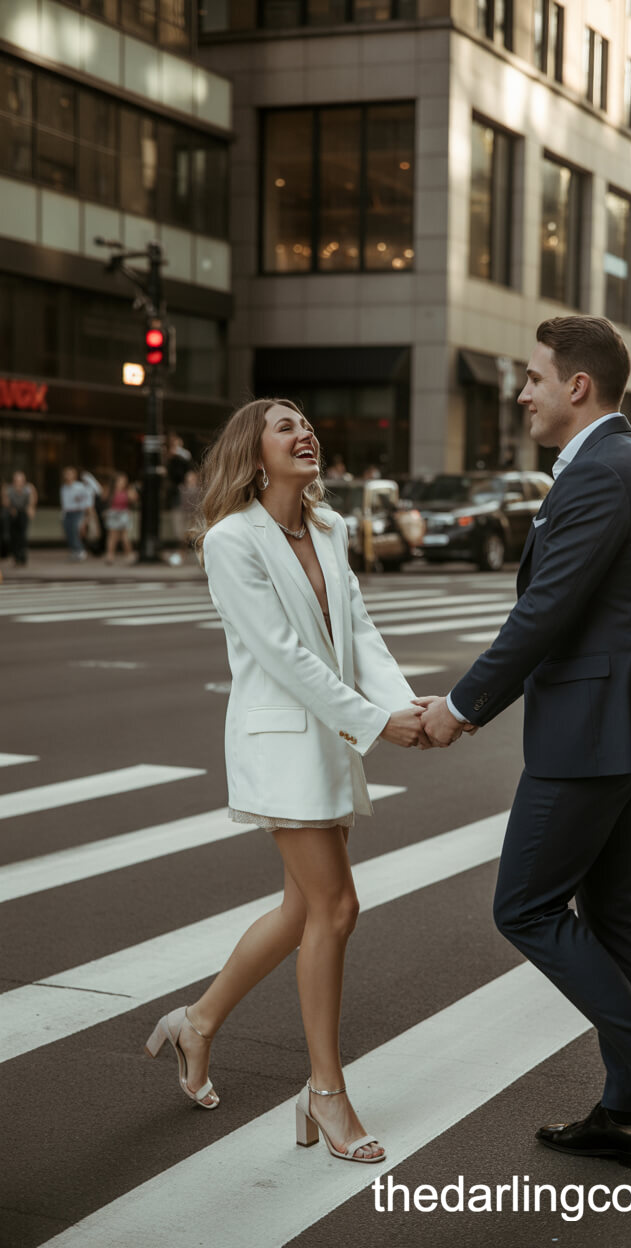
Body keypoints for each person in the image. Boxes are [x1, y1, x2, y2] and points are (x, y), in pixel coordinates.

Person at [417, 316, 631, 1178]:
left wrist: (461, 707)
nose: (523, 393)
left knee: (524, 906)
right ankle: (629, 1111)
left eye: (533, 378)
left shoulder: (600, 473)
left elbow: (546, 611)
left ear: (577, 385)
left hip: (594, 732)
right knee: (610, 910)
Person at [144, 397, 428, 1164]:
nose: (304, 433)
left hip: (330, 740)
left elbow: (357, 631)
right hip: (281, 745)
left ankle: (197, 1024)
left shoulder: (328, 528)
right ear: (254, 452)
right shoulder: (231, 541)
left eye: (306, 423)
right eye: (285, 426)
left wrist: (405, 707)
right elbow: (283, 655)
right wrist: (378, 722)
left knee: (303, 909)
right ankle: (325, 1093)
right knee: (337, 907)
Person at [60, 467, 94, 561]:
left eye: (70, 474)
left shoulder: (80, 487)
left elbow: (88, 496)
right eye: (66, 474)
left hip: (77, 512)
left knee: (76, 531)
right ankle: (74, 551)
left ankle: (80, 550)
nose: (68, 476)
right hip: (67, 513)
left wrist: (87, 512)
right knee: (69, 532)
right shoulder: (63, 488)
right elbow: (64, 503)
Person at [103, 473, 137, 564]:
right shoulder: (110, 491)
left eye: (123, 481)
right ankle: (110, 555)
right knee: (112, 536)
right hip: (113, 513)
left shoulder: (128, 491)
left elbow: (134, 499)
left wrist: (131, 493)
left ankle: (129, 554)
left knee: (124, 536)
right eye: (119, 481)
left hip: (123, 514)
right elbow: (104, 498)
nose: (121, 483)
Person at [6, 471, 37, 566]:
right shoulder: (10, 489)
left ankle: (23, 557)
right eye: (16, 480)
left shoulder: (28, 488)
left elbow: (32, 499)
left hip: (23, 512)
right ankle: (16, 557)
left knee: (22, 535)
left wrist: (31, 508)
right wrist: (11, 508)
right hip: (14, 512)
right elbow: (6, 501)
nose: (18, 482)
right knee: (14, 535)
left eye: (20, 480)